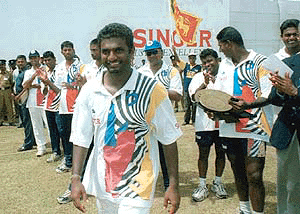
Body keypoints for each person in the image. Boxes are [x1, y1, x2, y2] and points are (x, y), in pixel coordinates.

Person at [70, 23, 181, 214]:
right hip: (103, 183)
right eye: (106, 51)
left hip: (139, 184)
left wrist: (173, 184)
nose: (111, 57)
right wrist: (75, 178)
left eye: (118, 50)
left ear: (131, 52)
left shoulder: (152, 91)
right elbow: (81, 138)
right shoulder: (89, 90)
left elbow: (169, 139)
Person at [215, 26, 272, 214]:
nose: (220, 50)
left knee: (254, 174)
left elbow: (268, 95)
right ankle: (244, 209)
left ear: (229, 44)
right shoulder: (224, 65)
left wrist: (248, 104)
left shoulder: (260, 62)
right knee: (238, 170)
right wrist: (213, 110)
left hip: (255, 128)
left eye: (221, 46)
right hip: (229, 127)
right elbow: (218, 95)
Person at [56, 38, 102, 204]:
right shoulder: (85, 68)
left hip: (105, 119)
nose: (93, 53)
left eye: (96, 49)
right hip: (88, 116)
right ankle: (73, 187)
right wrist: (82, 84)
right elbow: (80, 90)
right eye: (91, 49)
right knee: (82, 149)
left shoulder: (112, 68)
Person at [138, 40, 182, 191]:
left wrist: (156, 89)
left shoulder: (172, 71)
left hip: (164, 117)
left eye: (155, 52)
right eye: (148, 53)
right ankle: (146, 183)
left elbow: (177, 95)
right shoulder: (140, 72)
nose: (152, 56)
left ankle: (169, 184)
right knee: (146, 152)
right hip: (144, 118)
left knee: (166, 153)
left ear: (161, 53)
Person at [188, 49, 228, 201]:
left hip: (223, 124)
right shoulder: (198, 77)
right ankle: (202, 185)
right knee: (203, 154)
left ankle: (217, 182)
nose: (207, 64)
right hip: (204, 125)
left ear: (218, 60)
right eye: (204, 62)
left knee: (221, 153)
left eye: (210, 61)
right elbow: (193, 97)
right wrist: (204, 84)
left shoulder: (226, 77)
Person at [269, 54, 300, 214]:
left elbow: (295, 92)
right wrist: (280, 90)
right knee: (290, 185)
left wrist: (295, 91)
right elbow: (273, 98)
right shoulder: (288, 65)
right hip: (291, 132)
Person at [54, 41, 82, 173]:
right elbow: (57, 88)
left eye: (69, 50)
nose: (67, 52)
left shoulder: (80, 66)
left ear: (73, 50)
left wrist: (74, 86)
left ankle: (81, 162)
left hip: (78, 106)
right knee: (65, 134)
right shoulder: (59, 67)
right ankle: (68, 160)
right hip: (64, 107)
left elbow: (85, 85)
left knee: (79, 135)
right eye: (65, 50)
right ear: (61, 52)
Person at [22, 50, 49, 157]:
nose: (34, 60)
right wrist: (33, 76)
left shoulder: (45, 68)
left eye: (35, 58)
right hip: (33, 100)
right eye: (31, 58)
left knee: (49, 124)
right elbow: (25, 85)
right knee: (36, 125)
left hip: (45, 99)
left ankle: (56, 145)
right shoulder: (28, 72)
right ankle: (41, 146)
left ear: (39, 58)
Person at [38, 51, 63, 163]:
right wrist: (45, 84)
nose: (48, 62)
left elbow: (60, 90)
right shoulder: (45, 72)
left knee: (62, 130)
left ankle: (67, 152)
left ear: (54, 59)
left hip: (59, 104)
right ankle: (56, 151)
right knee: (52, 130)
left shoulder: (60, 70)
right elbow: (44, 92)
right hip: (48, 105)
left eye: (49, 60)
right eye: (46, 60)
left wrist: (49, 82)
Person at [172, 46, 201, 125]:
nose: (192, 59)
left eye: (193, 58)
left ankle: (194, 120)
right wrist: (174, 52)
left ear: (195, 58)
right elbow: (178, 60)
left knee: (194, 106)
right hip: (186, 89)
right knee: (187, 105)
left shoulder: (199, 67)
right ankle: (186, 120)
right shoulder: (186, 66)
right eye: (190, 58)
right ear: (188, 58)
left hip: (195, 89)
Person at [15, 55, 36, 151]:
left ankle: (28, 143)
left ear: (25, 62)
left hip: (26, 99)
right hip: (20, 100)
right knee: (27, 122)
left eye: (22, 62)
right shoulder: (17, 72)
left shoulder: (27, 72)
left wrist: (19, 96)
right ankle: (33, 140)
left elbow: (26, 87)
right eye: (18, 62)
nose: (20, 63)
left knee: (27, 122)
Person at [0, 59, 14, 126]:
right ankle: (1, 120)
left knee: (9, 106)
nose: (2, 66)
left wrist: (11, 91)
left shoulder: (8, 73)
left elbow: (12, 83)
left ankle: (11, 120)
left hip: (7, 90)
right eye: (0, 65)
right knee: (1, 106)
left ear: (5, 65)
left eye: (3, 65)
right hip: (0, 91)